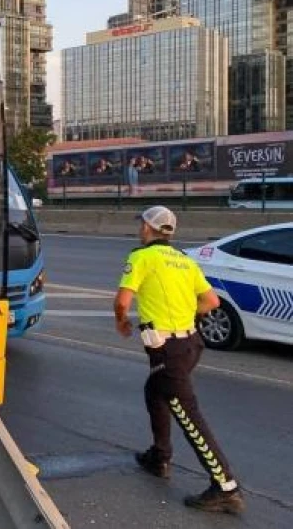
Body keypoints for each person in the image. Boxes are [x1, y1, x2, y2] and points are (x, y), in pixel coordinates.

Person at [114, 206, 244, 514]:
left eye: (142, 224)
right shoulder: (186, 261)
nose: (140, 229)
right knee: (154, 392)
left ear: (148, 228)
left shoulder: (141, 257)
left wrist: (121, 321)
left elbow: (122, 300)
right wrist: (185, 316)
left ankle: (225, 486)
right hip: (191, 344)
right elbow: (211, 301)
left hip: (168, 350)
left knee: (188, 415)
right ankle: (159, 457)